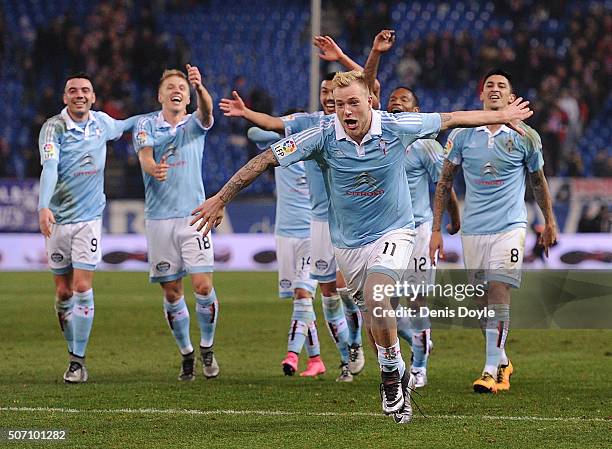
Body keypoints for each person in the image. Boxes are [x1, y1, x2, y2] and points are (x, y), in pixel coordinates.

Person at [192, 69, 533, 422]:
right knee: (372, 316)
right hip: (349, 244)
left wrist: (503, 116)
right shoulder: (322, 136)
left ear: (370, 101)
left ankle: (388, 377)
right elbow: (265, 159)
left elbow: (452, 118)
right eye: (340, 104)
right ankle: (397, 367)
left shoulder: (396, 127)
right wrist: (220, 198)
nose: (346, 111)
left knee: (377, 296)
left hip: (396, 233)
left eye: (353, 102)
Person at [218, 36, 370, 380]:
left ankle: (356, 341)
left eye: (335, 96)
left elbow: (368, 82)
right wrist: (246, 114)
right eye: (324, 95)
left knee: (348, 290)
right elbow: (272, 125)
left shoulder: (356, 123)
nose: (329, 100)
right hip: (318, 221)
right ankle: (348, 356)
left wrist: (344, 57)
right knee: (329, 293)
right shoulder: (308, 122)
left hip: (349, 218)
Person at [430, 68, 557, 394]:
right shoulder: (461, 135)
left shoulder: (526, 136)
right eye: (490, 85)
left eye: (502, 85)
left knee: (499, 291)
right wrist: (436, 229)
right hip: (474, 230)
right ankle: (501, 359)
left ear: (511, 97)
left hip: (510, 226)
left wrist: (550, 221)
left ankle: (489, 370)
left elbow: (538, 182)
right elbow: (444, 182)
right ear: (481, 95)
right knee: (481, 305)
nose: (495, 88)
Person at [363, 29, 461, 389]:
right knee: (380, 301)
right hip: (382, 232)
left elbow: (444, 185)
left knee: (416, 301)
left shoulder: (425, 146)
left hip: (418, 230)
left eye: (404, 99)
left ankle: (419, 363)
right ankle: (415, 346)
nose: (396, 102)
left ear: (417, 112)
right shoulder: (380, 141)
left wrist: (450, 220)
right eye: (392, 98)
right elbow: (364, 86)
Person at [38, 73, 140, 383]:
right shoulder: (52, 129)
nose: (79, 94)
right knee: (63, 292)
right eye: (73, 90)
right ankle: (74, 350)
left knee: (82, 287)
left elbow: (126, 125)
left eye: (85, 90)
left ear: (93, 97)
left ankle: (76, 361)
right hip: (57, 219)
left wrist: (161, 115)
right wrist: (44, 206)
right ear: (64, 97)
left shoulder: (101, 123)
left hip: (89, 220)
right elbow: (50, 168)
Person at [133, 65, 219, 381]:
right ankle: (186, 353)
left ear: (187, 96)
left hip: (194, 216)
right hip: (159, 220)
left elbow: (207, 112)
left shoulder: (194, 124)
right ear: (160, 95)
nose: (176, 89)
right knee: (172, 292)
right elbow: (143, 155)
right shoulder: (145, 125)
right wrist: (151, 166)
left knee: (203, 285)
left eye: (181, 86)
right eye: (170, 85)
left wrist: (200, 87)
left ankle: (207, 347)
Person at [246, 124, 332, 379]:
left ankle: (292, 354)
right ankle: (315, 359)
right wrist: (286, 131)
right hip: (284, 234)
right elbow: (253, 133)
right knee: (301, 302)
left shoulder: (318, 149)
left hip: (311, 234)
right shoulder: (281, 150)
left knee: (303, 293)